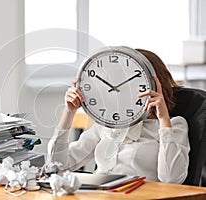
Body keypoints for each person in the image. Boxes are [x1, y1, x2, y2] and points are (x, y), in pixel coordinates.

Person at [47, 48, 190, 184]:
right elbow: (57, 166)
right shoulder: (108, 123)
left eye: (133, 82)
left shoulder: (175, 125)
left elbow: (172, 179)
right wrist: (69, 112)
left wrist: (164, 119)